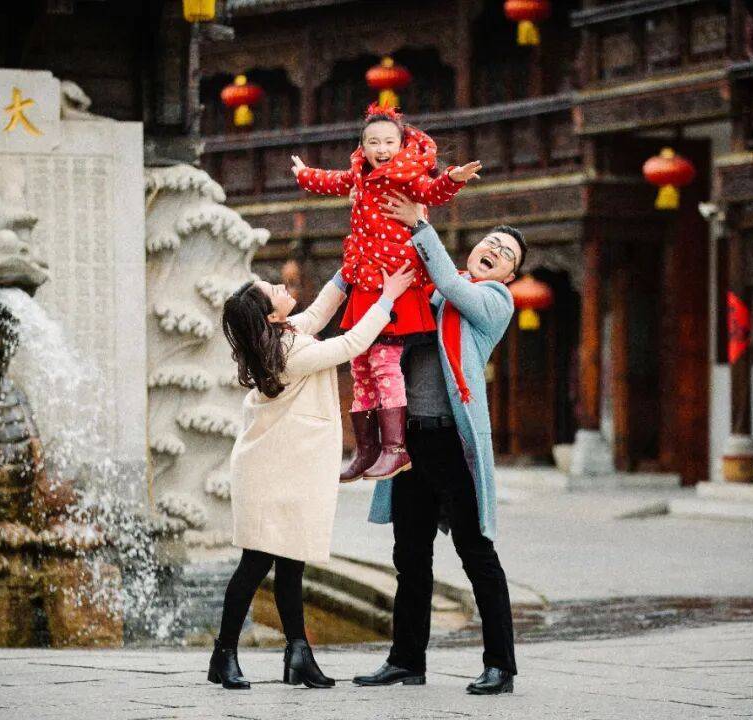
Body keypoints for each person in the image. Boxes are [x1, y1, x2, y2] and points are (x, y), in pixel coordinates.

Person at [209, 262, 417, 690]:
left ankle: (298, 655)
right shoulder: (291, 351)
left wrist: (351, 268)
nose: (280, 285)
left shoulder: (284, 336)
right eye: (272, 289)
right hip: (268, 472)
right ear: (271, 315)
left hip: (286, 467)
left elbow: (320, 312)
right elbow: (353, 343)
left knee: (291, 561)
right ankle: (223, 654)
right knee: (256, 563)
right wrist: (388, 296)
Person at [352, 191, 527, 696]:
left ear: (509, 276)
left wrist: (420, 225)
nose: (495, 251)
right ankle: (406, 660)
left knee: (476, 553)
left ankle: (501, 666)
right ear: (474, 248)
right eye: (491, 243)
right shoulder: (430, 294)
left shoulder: (493, 302)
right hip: (411, 443)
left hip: (454, 445)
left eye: (507, 255)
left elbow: (451, 282)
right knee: (409, 556)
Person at [291, 103, 482, 482]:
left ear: (401, 144)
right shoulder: (360, 175)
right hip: (365, 282)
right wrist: (304, 175)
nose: (381, 149)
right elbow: (333, 181)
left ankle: (395, 448)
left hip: (395, 283)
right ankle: (366, 449)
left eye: (389, 142)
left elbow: (432, 191)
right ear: (362, 147)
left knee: (384, 363)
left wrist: (453, 178)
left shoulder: (407, 176)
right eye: (374, 142)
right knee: (360, 366)